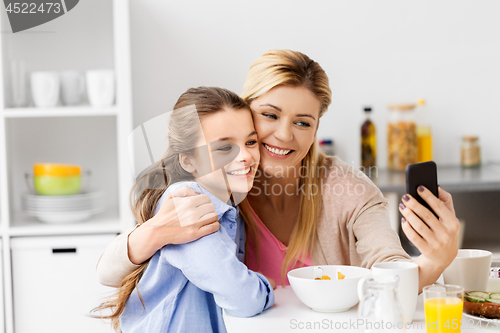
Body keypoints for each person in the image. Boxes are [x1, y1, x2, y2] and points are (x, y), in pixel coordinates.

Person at [96, 49, 460, 292]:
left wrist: (433, 261)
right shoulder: (214, 182)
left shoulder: (348, 189)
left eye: (302, 122)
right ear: (243, 109)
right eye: (269, 115)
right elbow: (108, 275)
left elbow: (390, 266)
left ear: (316, 129)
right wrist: (152, 234)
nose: (284, 135)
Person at [94, 87, 274, 333]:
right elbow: (243, 298)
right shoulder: (188, 201)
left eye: (250, 142)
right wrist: (265, 286)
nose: (245, 156)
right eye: (224, 148)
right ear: (188, 161)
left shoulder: (229, 205)